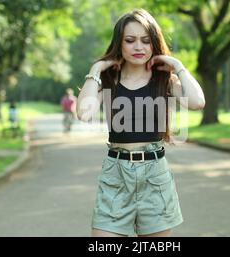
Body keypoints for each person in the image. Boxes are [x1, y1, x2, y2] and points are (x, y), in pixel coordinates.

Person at [77, 9, 205, 237]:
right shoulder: (108, 79)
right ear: (120, 43)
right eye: (130, 40)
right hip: (115, 175)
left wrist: (178, 66)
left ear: (154, 44)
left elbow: (197, 101)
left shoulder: (164, 80)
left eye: (146, 41)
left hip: (155, 175)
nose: (139, 47)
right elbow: (84, 113)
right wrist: (96, 69)